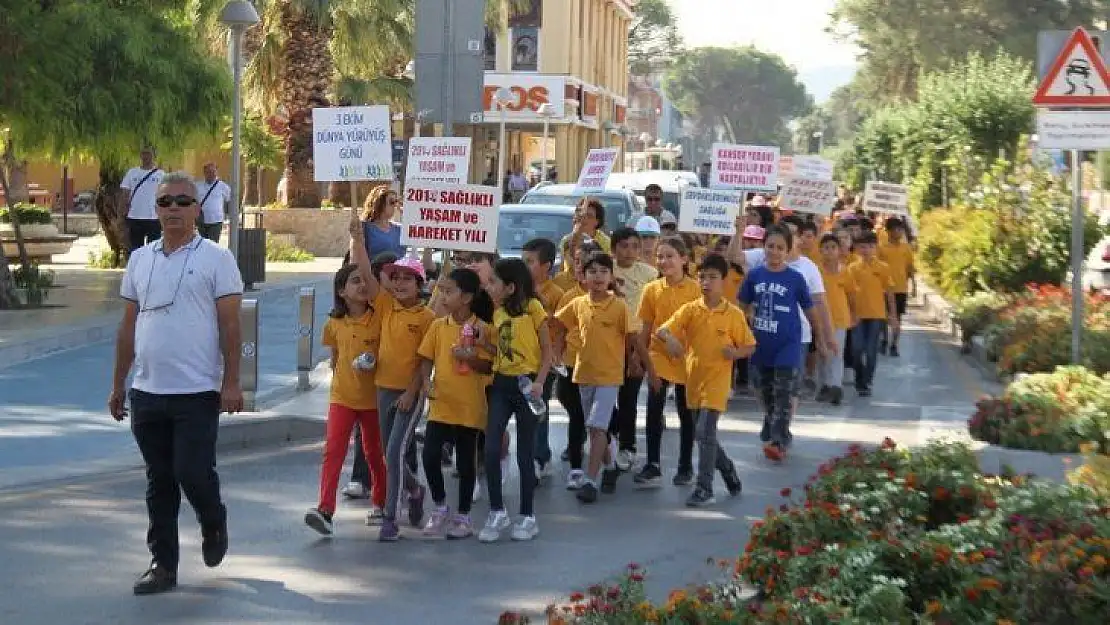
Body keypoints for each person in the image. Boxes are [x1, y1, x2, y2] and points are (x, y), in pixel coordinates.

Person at [109, 171, 243, 595]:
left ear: (198, 209)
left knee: (191, 471)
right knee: (159, 481)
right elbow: (128, 327)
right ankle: (163, 565)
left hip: (197, 390)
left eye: (183, 202)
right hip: (148, 392)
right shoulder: (140, 259)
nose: (173, 210)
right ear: (156, 208)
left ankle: (212, 518)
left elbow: (230, 325)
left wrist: (232, 382)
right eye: (165, 202)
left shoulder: (216, 259)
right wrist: (118, 384)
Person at [349, 229, 436, 541]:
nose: (399, 284)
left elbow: (425, 361)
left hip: (409, 395)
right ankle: (414, 490)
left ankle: (390, 518)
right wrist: (357, 241)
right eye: (395, 277)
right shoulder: (385, 304)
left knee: (397, 450)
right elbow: (362, 271)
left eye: (407, 279)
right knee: (389, 454)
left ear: (420, 284)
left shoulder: (428, 318)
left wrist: (412, 392)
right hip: (383, 389)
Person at [657, 253, 753, 506]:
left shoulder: (732, 314)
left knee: (704, 431)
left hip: (717, 382)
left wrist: (735, 353)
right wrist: (671, 339)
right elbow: (662, 329)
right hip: (693, 380)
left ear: (723, 281)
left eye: (712, 277)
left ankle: (705, 487)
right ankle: (728, 469)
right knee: (704, 436)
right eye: (702, 277)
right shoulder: (691, 309)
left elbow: (749, 346)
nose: (706, 282)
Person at [303, 264, 389, 536]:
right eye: (355, 281)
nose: (362, 286)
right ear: (342, 291)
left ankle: (381, 502)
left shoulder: (380, 318)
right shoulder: (333, 323)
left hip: (374, 399)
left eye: (365, 280)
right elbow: (335, 357)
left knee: (374, 453)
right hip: (342, 397)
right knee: (333, 451)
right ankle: (325, 509)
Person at [553, 252, 642, 502]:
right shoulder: (578, 303)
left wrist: (643, 366)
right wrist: (557, 351)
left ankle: (591, 480)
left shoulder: (619, 306)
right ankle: (611, 466)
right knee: (595, 429)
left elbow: (633, 338)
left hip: (610, 376)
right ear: (583, 276)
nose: (598, 276)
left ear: (612, 277)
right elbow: (560, 325)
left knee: (596, 426)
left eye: (604, 271)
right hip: (584, 373)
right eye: (592, 272)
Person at [478, 258, 552, 543]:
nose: (489, 287)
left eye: (494, 282)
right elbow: (501, 349)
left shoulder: (534, 308)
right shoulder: (497, 313)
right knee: (491, 447)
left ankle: (527, 515)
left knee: (524, 454)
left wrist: (540, 383)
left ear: (510, 287)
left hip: (527, 384)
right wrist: (483, 341)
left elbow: (547, 352)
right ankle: (497, 511)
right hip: (501, 384)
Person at [417, 268, 495, 539]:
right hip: (441, 402)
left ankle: (463, 517)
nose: (442, 296)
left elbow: (489, 366)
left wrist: (471, 358)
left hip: (469, 405)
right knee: (429, 456)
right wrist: (426, 382)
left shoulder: (483, 329)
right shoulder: (438, 326)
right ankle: (439, 507)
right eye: (441, 290)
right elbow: (425, 356)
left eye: (449, 291)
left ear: (467, 297)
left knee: (465, 462)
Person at [739, 225, 822, 461]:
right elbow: (740, 307)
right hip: (761, 343)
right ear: (764, 248)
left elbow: (810, 310)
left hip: (789, 343)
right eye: (770, 247)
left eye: (780, 248)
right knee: (763, 389)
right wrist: (741, 327)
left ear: (788, 250)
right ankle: (771, 420)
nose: (774, 252)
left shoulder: (795, 278)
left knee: (784, 392)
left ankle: (779, 441)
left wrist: (821, 339)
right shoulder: (754, 275)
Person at [632, 236, 700, 488]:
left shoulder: (695, 289)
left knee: (686, 413)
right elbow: (645, 327)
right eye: (660, 256)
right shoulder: (652, 289)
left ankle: (685, 466)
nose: (664, 261)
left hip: (686, 359)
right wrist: (638, 358)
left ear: (684, 259)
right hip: (658, 357)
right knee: (653, 409)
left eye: (670, 256)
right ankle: (653, 464)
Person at [340, 250, 397, 503]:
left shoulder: (400, 305)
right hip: (371, 386)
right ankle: (362, 480)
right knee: (367, 437)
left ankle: (402, 485)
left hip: (400, 384)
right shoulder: (371, 305)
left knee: (394, 441)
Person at [608, 227, 657, 470]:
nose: (629, 251)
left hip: (636, 342)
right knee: (603, 395)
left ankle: (628, 446)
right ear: (613, 248)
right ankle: (610, 431)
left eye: (634, 246)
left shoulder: (650, 273)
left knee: (629, 396)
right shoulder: (604, 269)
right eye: (624, 245)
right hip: (607, 341)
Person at [521, 237, 564, 481]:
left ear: (546, 266)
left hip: (543, 362)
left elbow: (559, 326)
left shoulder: (556, 293)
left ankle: (539, 457)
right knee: (524, 412)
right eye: (523, 261)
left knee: (539, 408)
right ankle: (537, 453)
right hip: (520, 360)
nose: (525, 266)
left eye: (530, 262)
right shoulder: (515, 288)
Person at [553, 241, 595, 471]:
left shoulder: (608, 297)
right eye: (577, 261)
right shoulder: (570, 295)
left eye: (587, 263)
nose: (580, 267)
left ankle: (580, 447)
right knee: (569, 401)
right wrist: (557, 355)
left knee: (588, 411)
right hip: (570, 362)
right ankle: (577, 445)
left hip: (597, 365)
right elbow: (559, 327)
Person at [844, 232, 898, 397]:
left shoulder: (883, 268)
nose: (866, 250)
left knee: (871, 350)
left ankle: (866, 382)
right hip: (857, 315)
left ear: (875, 248)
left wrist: (893, 315)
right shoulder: (852, 268)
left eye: (870, 246)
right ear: (858, 249)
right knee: (856, 349)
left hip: (876, 315)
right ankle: (860, 377)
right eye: (862, 247)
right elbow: (847, 292)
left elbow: (889, 292)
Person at [815, 233, 855, 406]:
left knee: (837, 353)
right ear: (821, 250)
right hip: (820, 319)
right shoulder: (816, 271)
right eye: (826, 248)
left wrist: (854, 314)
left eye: (833, 247)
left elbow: (852, 295)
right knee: (823, 354)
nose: (830, 251)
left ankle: (836, 387)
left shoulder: (846, 271)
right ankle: (824, 384)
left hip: (840, 319)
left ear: (839, 250)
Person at [878, 217, 915, 357]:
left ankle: (894, 344)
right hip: (884, 288)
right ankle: (884, 339)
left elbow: (910, 267)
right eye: (895, 230)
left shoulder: (906, 248)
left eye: (900, 229)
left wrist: (913, 284)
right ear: (888, 232)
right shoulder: (882, 249)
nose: (898, 232)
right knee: (883, 317)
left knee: (897, 317)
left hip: (900, 288)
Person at [120, 147, 165, 252]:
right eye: (144, 153)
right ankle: (137, 268)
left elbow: (165, 195)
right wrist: (122, 212)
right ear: (140, 155)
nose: (146, 156)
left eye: (149, 153)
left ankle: (151, 268)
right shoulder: (132, 172)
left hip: (154, 218)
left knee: (154, 250)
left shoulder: (161, 175)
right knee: (136, 250)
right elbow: (125, 193)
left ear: (154, 156)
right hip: (135, 217)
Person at [559, 197, 612, 271]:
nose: (584, 219)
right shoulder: (566, 240)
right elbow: (562, 268)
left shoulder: (606, 242)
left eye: (589, 216)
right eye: (582, 216)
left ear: (597, 221)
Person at [360, 186, 406, 259]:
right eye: (392, 202)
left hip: (399, 269)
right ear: (379, 203)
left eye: (396, 202)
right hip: (374, 269)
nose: (395, 205)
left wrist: (407, 216)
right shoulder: (365, 227)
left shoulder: (400, 229)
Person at [195, 163, 230, 243]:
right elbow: (193, 200)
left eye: (213, 171)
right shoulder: (198, 186)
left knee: (213, 244)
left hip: (216, 221)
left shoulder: (223, 186)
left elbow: (229, 200)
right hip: (202, 220)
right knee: (202, 244)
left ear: (216, 172)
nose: (211, 174)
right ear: (204, 173)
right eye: (208, 172)